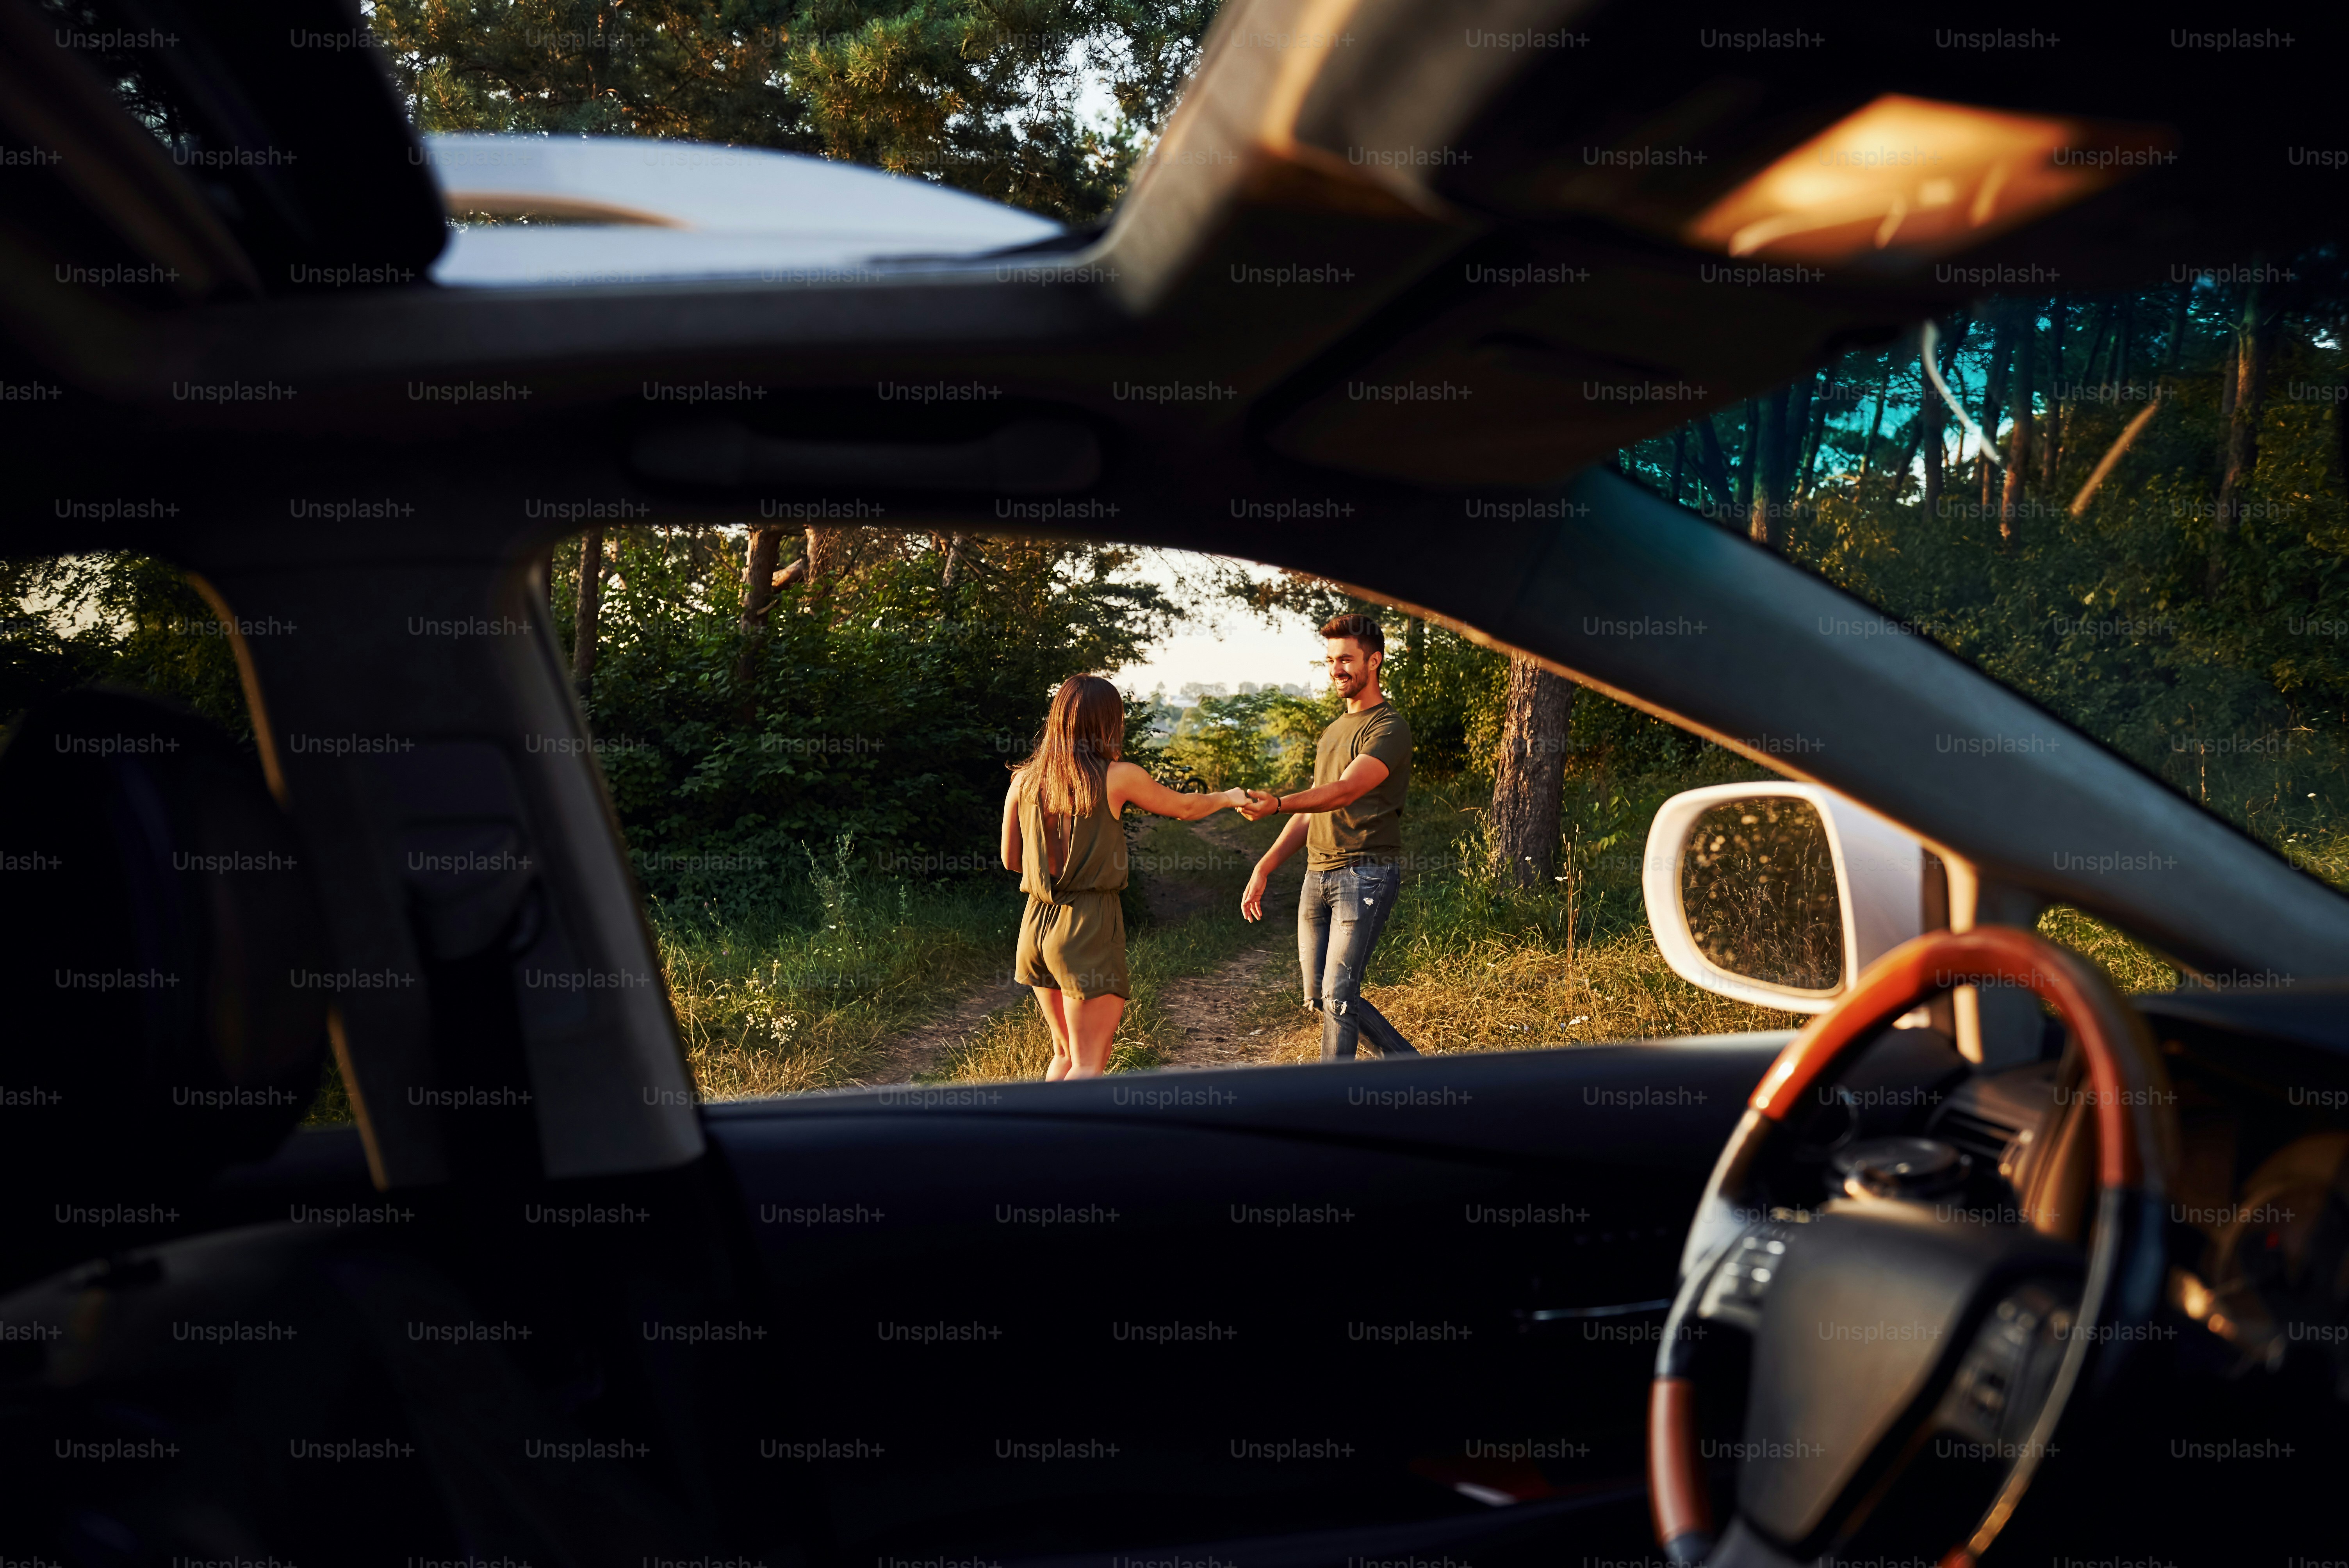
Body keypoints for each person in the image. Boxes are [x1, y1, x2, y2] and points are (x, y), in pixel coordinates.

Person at [1002, 675, 1252, 1081]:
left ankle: (1041, 1123)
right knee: (1088, 1064)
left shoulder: (1023, 780)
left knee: (1064, 1054)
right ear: (1107, 722)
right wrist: (1228, 797)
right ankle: (1062, 1128)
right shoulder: (1116, 776)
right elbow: (1185, 808)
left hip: (1035, 925)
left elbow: (1011, 860)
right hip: (1085, 924)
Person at [1239, 614, 1420, 1062]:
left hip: (1364, 873)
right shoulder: (1332, 731)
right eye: (1330, 660)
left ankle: (1331, 1093)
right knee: (1321, 997)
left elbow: (1345, 790)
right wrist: (1264, 866)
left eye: (1346, 659)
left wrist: (1277, 802)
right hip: (1316, 875)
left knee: (1339, 995)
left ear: (1374, 661)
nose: (1336, 669)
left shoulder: (1388, 727)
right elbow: (1312, 808)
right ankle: (1413, 1067)